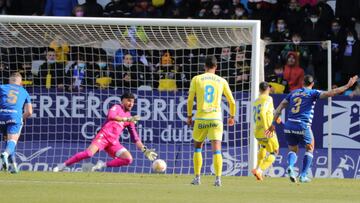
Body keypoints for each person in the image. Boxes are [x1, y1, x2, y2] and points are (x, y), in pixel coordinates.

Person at [266, 75, 358, 183]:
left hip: (289, 125)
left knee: (293, 149)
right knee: (310, 148)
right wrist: (347, 86)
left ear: (302, 83)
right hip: (302, 125)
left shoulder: (293, 93)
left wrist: (273, 123)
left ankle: (290, 166)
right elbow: (331, 93)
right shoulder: (313, 93)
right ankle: (303, 175)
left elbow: (280, 106)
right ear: (312, 84)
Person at [53, 92, 157, 172]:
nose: (131, 103)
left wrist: (145, 150)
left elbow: (135, 138)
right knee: (88, 154)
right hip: (103, 136)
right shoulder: (117, 107)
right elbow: (111, 116)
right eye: (129, 101)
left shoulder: (130, 119)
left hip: (113, 142)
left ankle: (102, 164)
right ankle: (63, 165)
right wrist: (126, 119)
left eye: (133, 102)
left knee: (128, 159)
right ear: (123, 101)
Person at [187, 56, 236, 186]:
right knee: (217, 149)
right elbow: (232, 101)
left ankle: (197, 178)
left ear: (205, 66)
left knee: (198, 147)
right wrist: (232, 116)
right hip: (216, 119)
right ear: (216, 67)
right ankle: (218, 179)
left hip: (201, 118)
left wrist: (189, 115)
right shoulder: (221, 80)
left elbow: (190, 99)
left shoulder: (197, 79)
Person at [0, 72, 33, 173]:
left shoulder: (2, 87)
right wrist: (21, 119)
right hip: (14, 116)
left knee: (8, 140)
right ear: (21, 82)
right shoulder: (24, 91)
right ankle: (5, 154)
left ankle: (14, 166)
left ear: (10, 80)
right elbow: (29, 112)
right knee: (12, 141)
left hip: (1, 115)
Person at [251, 82, 279, 181]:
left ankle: (257, 167)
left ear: (259, 90)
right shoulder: (268, 98)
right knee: (274, 152)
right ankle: (259, 170)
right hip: (266, 130)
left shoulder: (256, 100)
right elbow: (263, 112)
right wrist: (267, 128)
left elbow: (269, 110)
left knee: (263, 147)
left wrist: (276, 118)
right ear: (268, 89)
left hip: (257, 131)